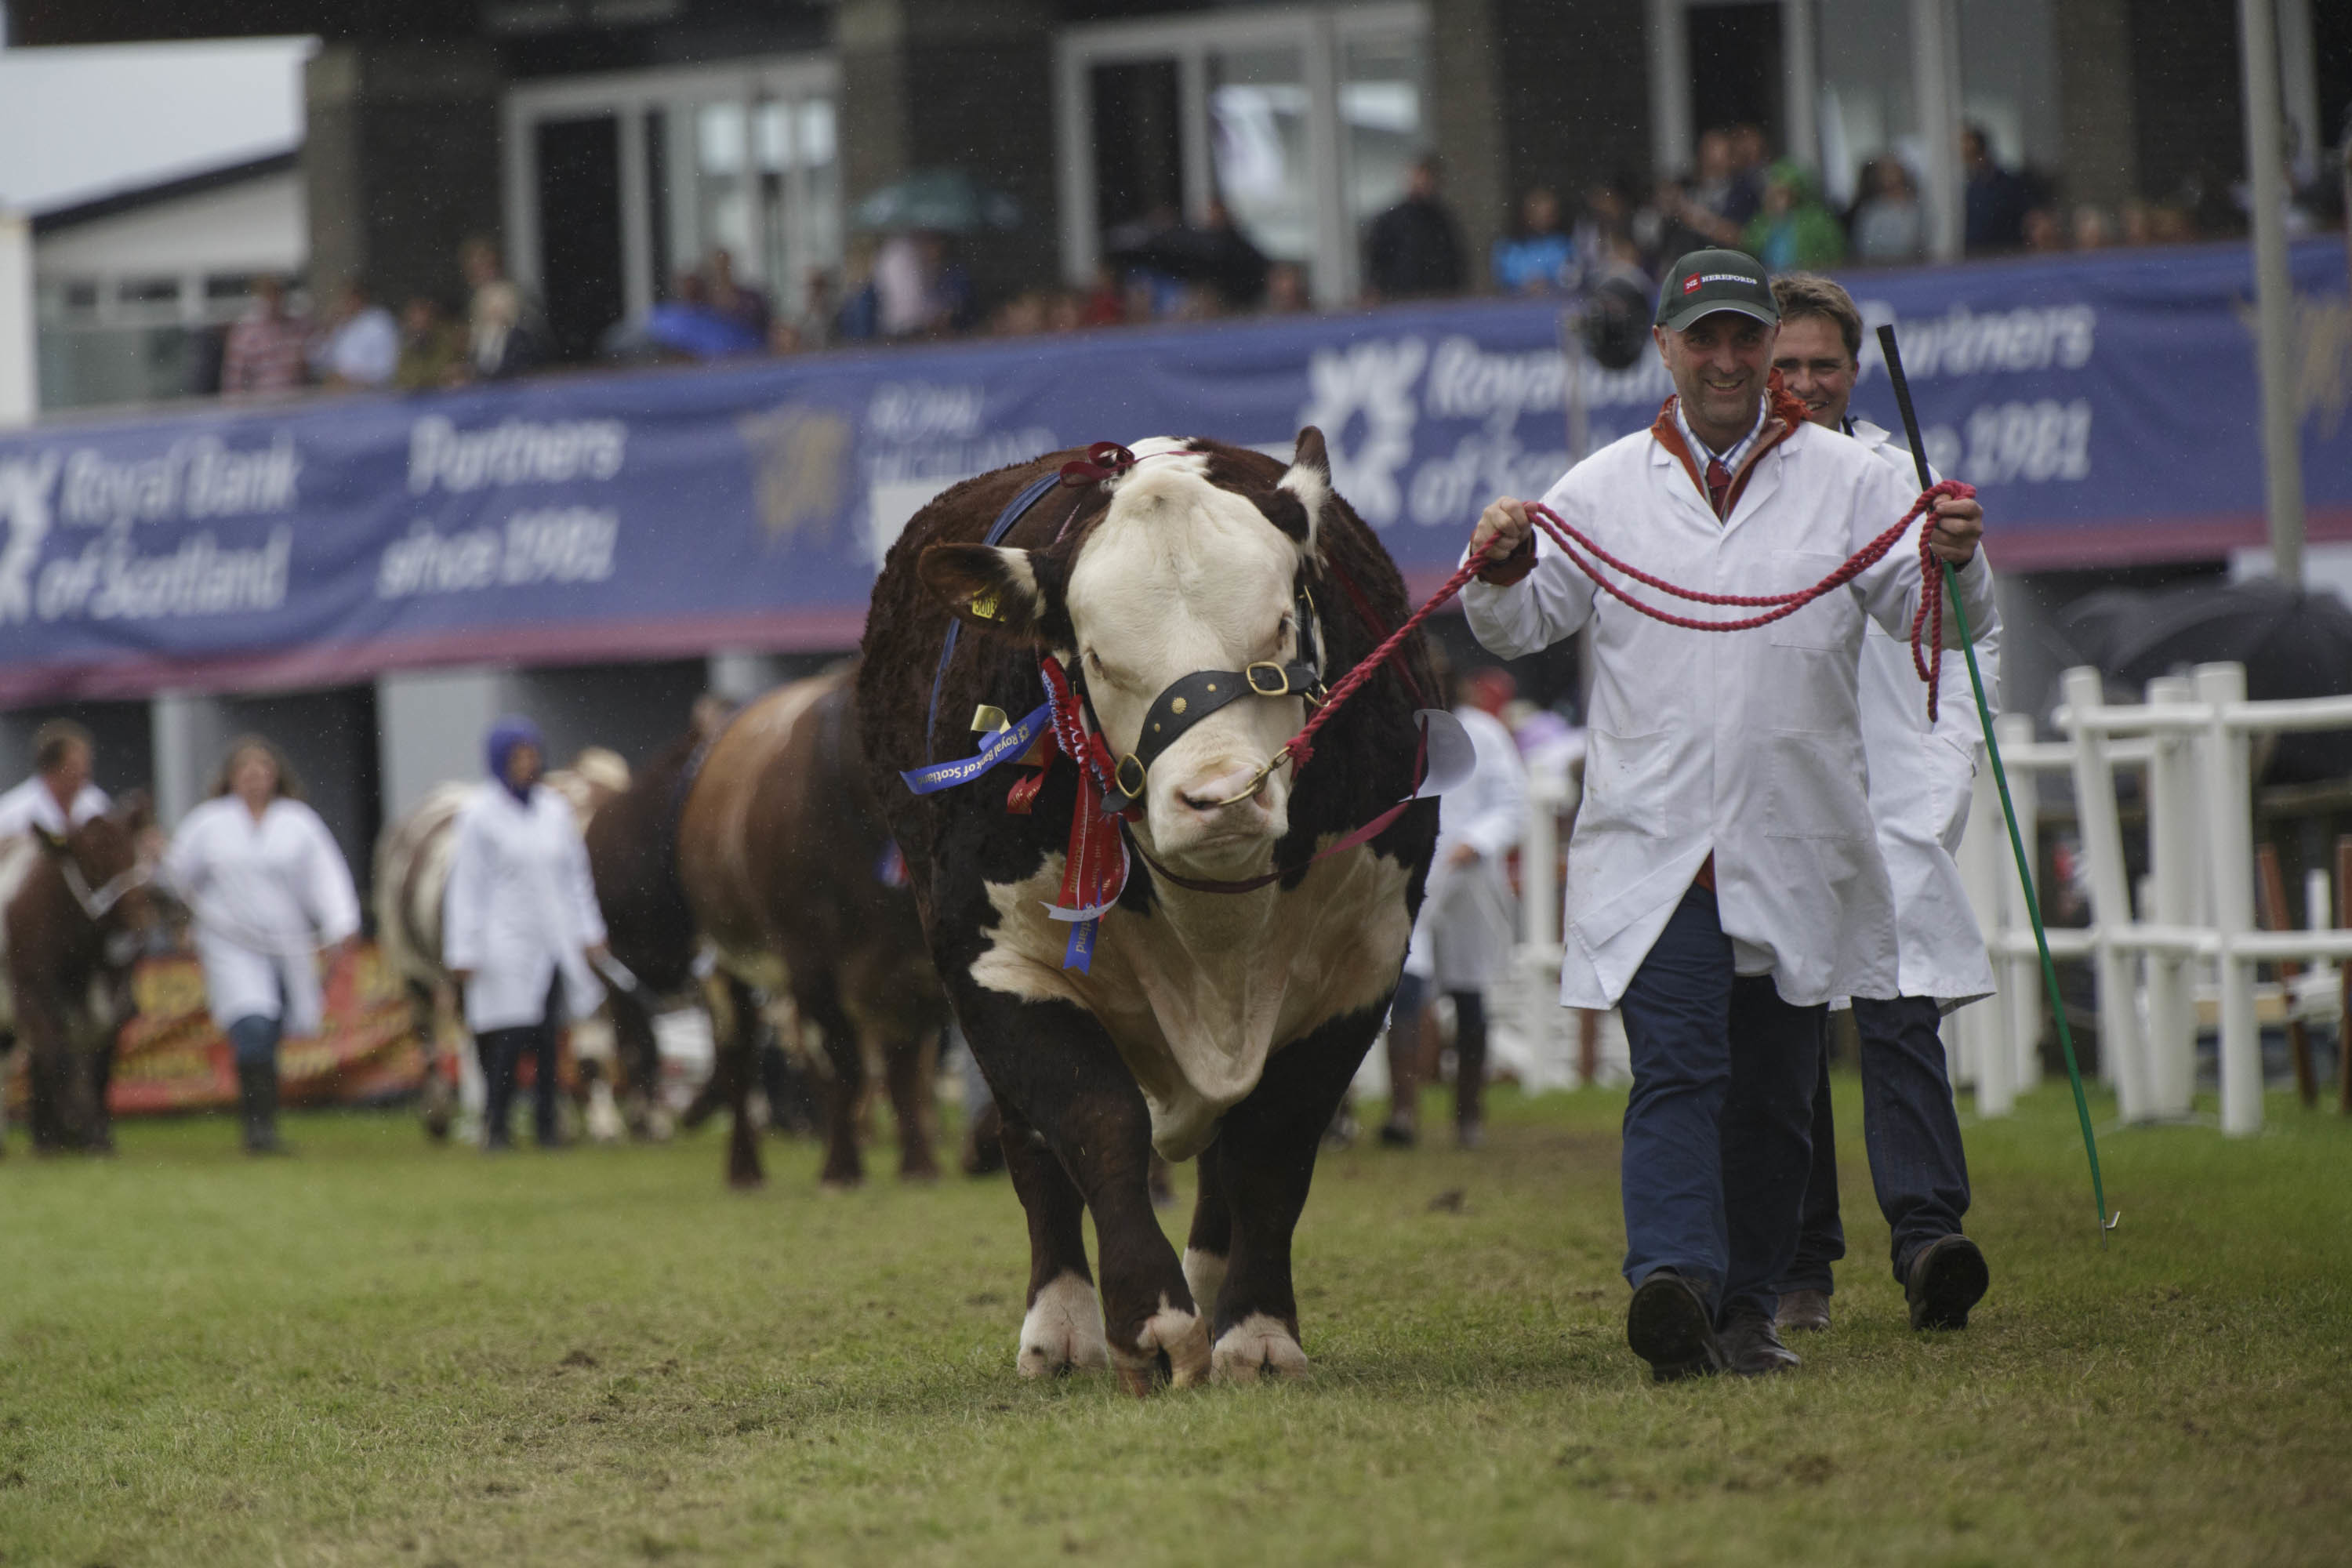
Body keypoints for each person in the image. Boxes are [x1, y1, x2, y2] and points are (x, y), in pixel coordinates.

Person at [1460, 249, 1994, 1381]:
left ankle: (1747, 1309)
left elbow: (1926, 613)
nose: (1726, 359)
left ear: (1766, 350)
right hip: (1658, 843)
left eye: (1743, 339)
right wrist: (1499, 571)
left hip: (1796, 832)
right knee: (1678, 1068)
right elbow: (1523, 624)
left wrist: (1959, 553)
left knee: (1771, 1093)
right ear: (1663, 348)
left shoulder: (1852, 481)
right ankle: (1675, 1282)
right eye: (1702, 339)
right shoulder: (1600, 487)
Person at [1766, 272, 1998, 1334]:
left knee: (1901, 1014)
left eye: (1823, 365)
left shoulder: (1902, 478)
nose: (1805, 384)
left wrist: (1957, 553)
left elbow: (1967, 610)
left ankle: (1928, 1237)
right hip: (1779, 788)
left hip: (1886, 781)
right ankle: (1799, 1260)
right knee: (1790, 1025)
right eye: (1786, 365)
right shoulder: (1732, 484)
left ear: (1855, 371)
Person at [161, 737, 361, 1155]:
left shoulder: (298, 822)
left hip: (286, 943)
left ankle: (265, 1121)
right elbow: (176, 880)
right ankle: (258, 1128)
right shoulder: (208, 824)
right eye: (246, 771)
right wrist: (158, 867)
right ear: (231, 778)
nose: (255, 778)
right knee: (251, 1022)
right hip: (229, 943)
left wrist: (341, 925)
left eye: (263, 769)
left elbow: (326, 875)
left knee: (272, 1027)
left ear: (276, 775)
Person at [1379, 664, 1529, 1151]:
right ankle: (1403, 1112)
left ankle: (1469, 1117)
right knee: (1405, 985)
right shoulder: (1397, 733)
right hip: (1412, 875)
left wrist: (1475, 842)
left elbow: (1512, 803)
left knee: (1468, 993)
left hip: (1468, 877)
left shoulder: (1483, 733)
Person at [444, 717, 608, 1152]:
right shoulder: (479, 814)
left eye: (532, 755)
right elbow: (468, 886)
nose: (527, 765)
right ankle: (496, 1125)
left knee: (550, 1036)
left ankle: (547, 1124)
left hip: (553, 938)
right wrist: (464, 948)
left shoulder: (554, 811)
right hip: (502, 941)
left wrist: (590, 931)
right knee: (509, 1036)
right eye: (518, 757)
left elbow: (576, 877)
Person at [1363, 156, 1465, 301]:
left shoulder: (1442, 220)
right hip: (1400, 301)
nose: (1423, 184)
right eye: (1419, 178)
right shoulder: (1391, 220)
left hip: (1437, 300)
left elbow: (1454, 263)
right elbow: (1376, 261)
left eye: (1428, 179)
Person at [0, 720, 109, 840]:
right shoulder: (13, 814)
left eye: (86, 763)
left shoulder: (97, 804)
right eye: (75, 765)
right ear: (51, 769)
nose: (84, 772)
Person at [1741, 162, 1845, 270]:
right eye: (1771, 193)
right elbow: (1750, 249)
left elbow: (1835, 255)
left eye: (1781, 193)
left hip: (1807, 280)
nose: (1774, 199)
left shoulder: (1817, 220)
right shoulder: (1762, 221)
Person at [460, 238, 539, 379]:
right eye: (475, 268)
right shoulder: (476, 299)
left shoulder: (512, 293)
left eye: (486, 266)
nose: (481, 272)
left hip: (513, 375)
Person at [220, 274, 308, 398]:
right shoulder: (246, 332)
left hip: (295, 405)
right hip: (262, 406)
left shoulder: (298, 328)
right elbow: (235, 378)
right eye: (269, 294)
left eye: (278, 294)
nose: (274, 300)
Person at [310, 278, 399, 390]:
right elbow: (314, 362)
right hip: (335, 393)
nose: (344, 303)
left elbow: (385, 370)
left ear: (360, 298)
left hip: (369, 395)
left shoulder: (379, 322)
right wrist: (328, 328)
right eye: (342, 299)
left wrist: (350, 380)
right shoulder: (338, 323)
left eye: (349, 298)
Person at [1961, 125, 2033, 255]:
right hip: (1979, 256)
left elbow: (2025, 217)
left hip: (2004, 255)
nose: (1962, 150)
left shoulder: (2006, 183)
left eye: (1966, 145)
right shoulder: (1972, 186)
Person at [1491, 187, 1577, 296]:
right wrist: (1526, 283)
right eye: (1538, 214)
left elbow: (1570, 275)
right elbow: (1503, 276)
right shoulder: (1509, 246)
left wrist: (1549, 283)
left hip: (1553, 302)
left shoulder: (1563, 244)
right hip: (1517, 305)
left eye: (1548, 215)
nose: (1543, 219)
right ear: (1527, 214)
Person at [1848, 158, 1925, 265]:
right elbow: (1865, 245)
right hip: (1878, 270)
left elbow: (1921, 242)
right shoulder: (1872, 211)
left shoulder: (1916, 210)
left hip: (1911, 268)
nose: (1891, 180)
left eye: (1895, 176)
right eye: (1887, 176)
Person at [394, 296, 468, 390]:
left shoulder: (449, 344)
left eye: (423, 322)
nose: (419, 329)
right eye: (415, 323)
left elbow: (454, 374)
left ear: (432, 321)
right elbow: (402, 382)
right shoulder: (406, 352)